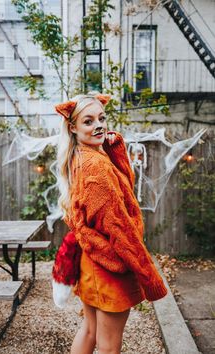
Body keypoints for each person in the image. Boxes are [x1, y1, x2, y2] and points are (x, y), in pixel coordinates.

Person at [54, 92, 168, 354]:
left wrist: (114, 150)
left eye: (101, 119)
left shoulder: (81, 157)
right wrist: (146, 273)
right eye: (88, 121)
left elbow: (122, 189)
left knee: (90, 331)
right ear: (72, 127)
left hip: (92, 259)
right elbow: (118, 226)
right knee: (108, 346)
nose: (99, 126)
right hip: (109, 265)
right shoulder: (96, 166)